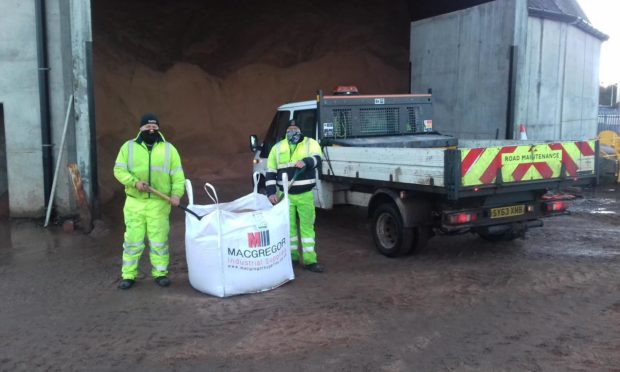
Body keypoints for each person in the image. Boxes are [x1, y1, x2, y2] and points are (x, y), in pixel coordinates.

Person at [113, 113, 185, 289]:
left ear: (158, 128)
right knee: (133, 241)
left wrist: (176, 195)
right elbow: (119, 170)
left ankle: (160, 273)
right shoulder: (128, 148)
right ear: (141, 129)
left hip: (159, 204)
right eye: (147, 127)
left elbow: (178, 176)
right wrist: (134, 182)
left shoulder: (169, 149)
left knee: (159, 240)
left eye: (154, 127)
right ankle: (128, 276)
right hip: (134, 202)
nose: (151, 130)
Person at [266, 120, 324, 273]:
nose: (293, 131)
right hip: (285, 196)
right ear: (286, 132)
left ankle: (310, 261)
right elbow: (271, 172)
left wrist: (306, 162)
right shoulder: (277, 148)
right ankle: (292, 258)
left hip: (305, 195)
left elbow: (318, 158)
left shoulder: (310, 143)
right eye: (290, 129)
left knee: (307, 229)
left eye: (296, 128)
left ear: (300, 130)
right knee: (288, 229)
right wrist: (271, 192)